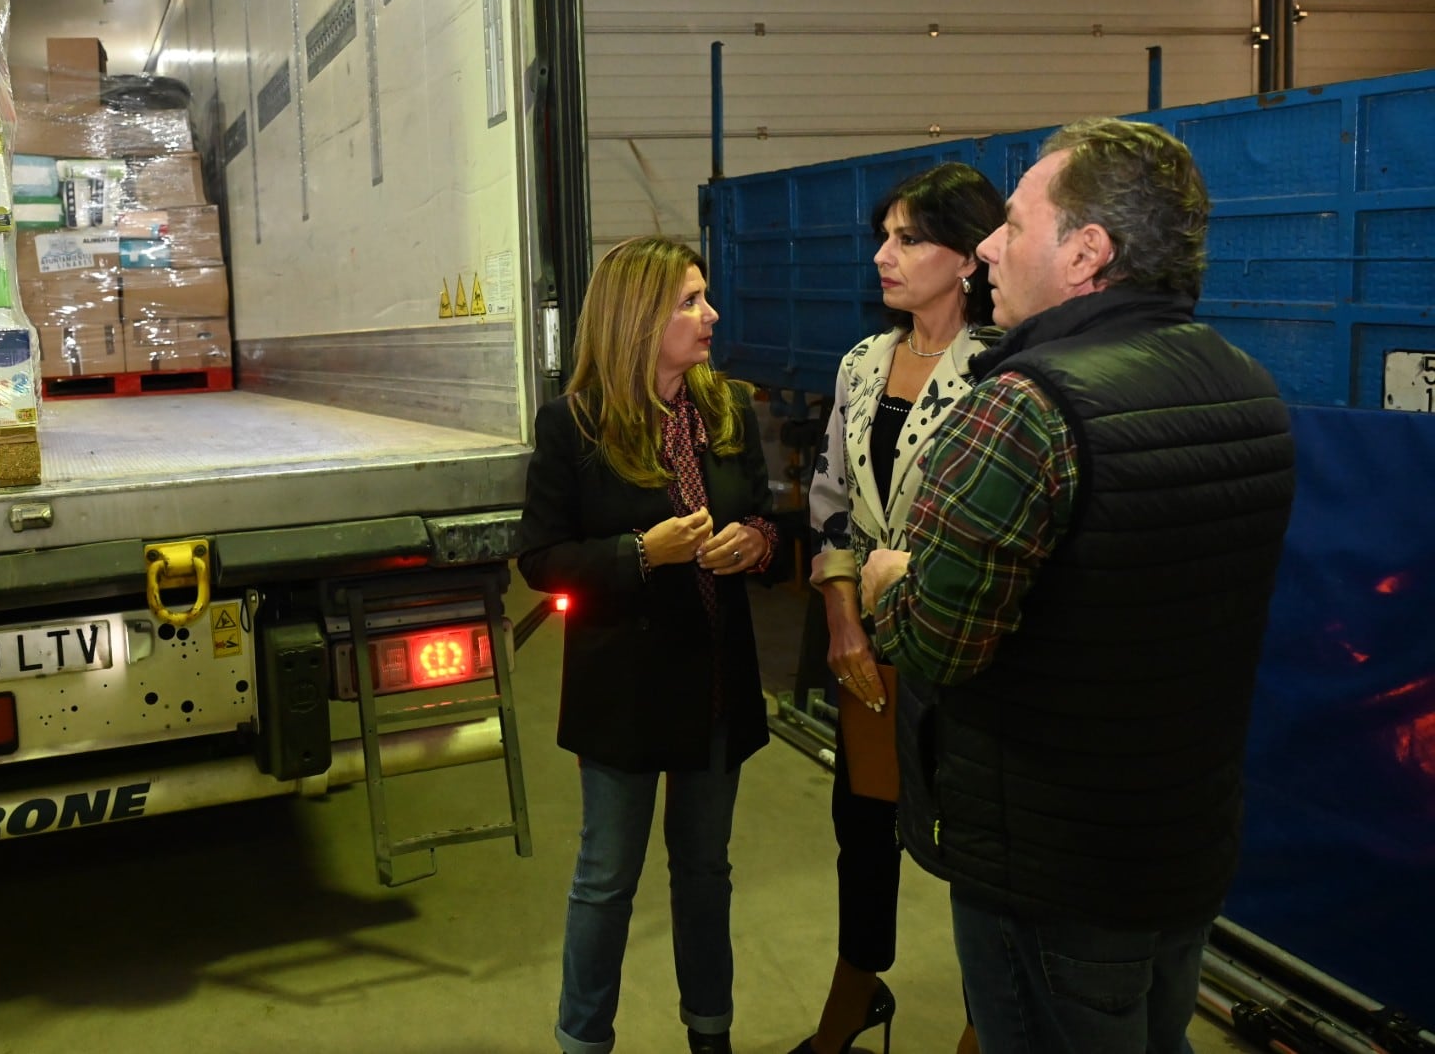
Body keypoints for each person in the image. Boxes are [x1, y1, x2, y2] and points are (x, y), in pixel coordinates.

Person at [860, 119, 1297, 1054]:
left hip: (1050, 871)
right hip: (1181, 849)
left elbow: (936, 641)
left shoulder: (1025, 405)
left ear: (1087, 253)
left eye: (1012, 225)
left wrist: (887, 579)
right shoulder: (1248, 388)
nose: (985, 245)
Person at [519, 235, 784, 1054]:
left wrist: (756, 543)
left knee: (706, 874)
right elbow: (541, 558)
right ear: (638, 318)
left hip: (713, 686)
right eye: (689, 301)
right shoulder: (576, 424)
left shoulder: (726, 410)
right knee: (606, 881)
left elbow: (768, 515)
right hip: (626, 692)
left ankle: (711, 1033)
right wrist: (642, 554)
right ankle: (583, 1040)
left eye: (705, 297)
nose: (709, 315)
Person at [795, 163, 1003, 1054]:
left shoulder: (1005, 370)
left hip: (966, 653)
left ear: (967, 258)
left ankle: (983, 1021)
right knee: (863, 824)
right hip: (868, 647)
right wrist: (844, 619)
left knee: (980, 844)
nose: (884, 254)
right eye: (883, 235)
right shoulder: (862, 363)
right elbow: (831, 502)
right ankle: (855, 991)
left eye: (908, 238)